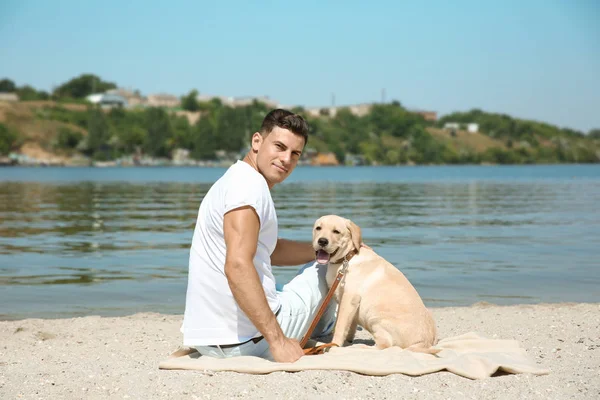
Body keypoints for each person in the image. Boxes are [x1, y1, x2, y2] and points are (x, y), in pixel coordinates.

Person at [181, 109, 336, 363]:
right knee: (334, 267)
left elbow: (270, 251)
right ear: (257, 141)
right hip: (246, 342)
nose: (286, 159)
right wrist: (278, 341)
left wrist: (322, 250)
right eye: (279, 146)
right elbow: (238, 265)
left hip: (209, 338)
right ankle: (322, 331)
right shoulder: (249, 188)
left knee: (324, 258)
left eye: (295, 154)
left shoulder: (234, 179)